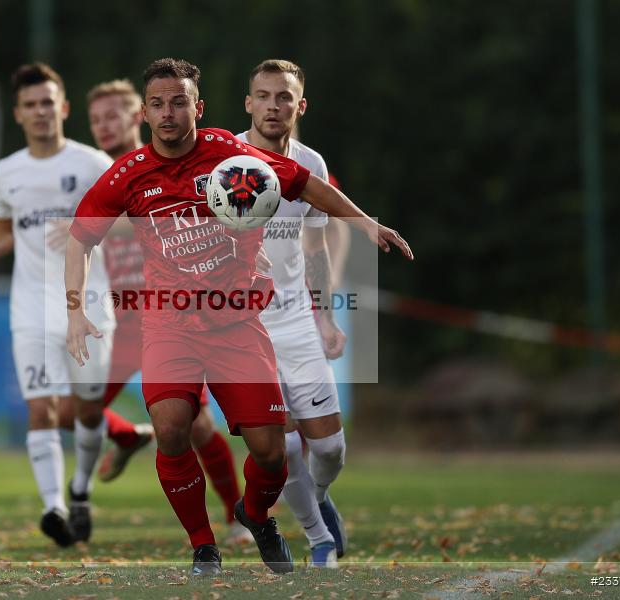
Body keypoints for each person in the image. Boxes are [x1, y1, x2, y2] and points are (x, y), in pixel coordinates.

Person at [65, 58, 412, 576]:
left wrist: (363, 223)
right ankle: (203, 544)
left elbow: (302, 183)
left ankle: (256, 514)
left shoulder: (228, 154)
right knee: (171, 426)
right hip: (171, 323)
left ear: (197, 108)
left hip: (237, 320)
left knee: (272, 452)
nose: (168, 113)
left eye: (179, 102)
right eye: (157, 104)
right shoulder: (128, 174)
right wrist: (74, 311)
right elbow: (80, 237)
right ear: (144, 112)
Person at [85, 79, 253, 544]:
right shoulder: (95, 172)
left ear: (136, 115)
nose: (104, 125)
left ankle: (236, 517)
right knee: (67, 405)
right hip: (120, 318)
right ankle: (126, 435)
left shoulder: (158, 167)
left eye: (113, 115)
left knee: (197, 426)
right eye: (95, 118)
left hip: (168, 314)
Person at [0, 63, 120, 548]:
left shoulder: (94, 163)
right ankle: (54, 506)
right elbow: (4, 226)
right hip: (30, 307)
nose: (40, 111)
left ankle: (81, 489)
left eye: (47, 102)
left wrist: (86, 226)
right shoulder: (6, 172)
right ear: (18, 114)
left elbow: (133, 220)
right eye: (30, 105)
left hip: (89, 305)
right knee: (41, 410)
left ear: (63, 107)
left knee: (89, 408)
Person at [239, 59, 350, 568]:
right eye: (263, 95)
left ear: (299, 106)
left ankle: (321, 499)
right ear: (249, 103)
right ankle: (319, 540)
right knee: (282, 449)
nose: (273, 105)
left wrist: (325, 316)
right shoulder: (228, 163)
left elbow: (315, 244)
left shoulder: (313, 166)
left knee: (329, 450)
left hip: (296, 322)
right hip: (242, 327)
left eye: (283, 96)